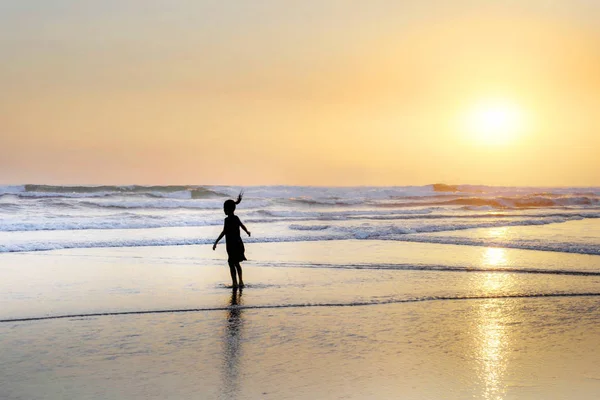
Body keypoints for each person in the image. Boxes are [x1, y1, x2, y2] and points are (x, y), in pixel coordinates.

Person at [213, 192, 251, 288]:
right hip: (236, 244)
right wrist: (247, 232)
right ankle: (240, 282)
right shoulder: (235, 218)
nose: (223, 210)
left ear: (229, 209)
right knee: (236, 263)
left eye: (224, 208)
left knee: (231, 263)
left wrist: (216, 242)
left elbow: (224, 232)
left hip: (232, 245)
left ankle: (235, 282)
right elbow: (242, 226)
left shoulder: (228, 220)